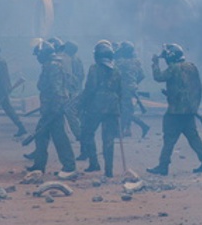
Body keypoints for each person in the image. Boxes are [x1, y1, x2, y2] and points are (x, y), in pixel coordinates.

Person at [147, 44, 202, 176]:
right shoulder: (192, 67)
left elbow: (158, 77)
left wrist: (155, 64)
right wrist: (194, 106)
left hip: (175, 112)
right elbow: (195, 88)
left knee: (169, 138)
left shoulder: (173, 68)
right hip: (189, 111)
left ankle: (163, 166)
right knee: (193, 138)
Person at [28, 40, 77, 179]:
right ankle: (39, 165)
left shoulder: (53, 66)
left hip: (53, 109)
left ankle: (70, 167)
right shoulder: (49, 65)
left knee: (60, 137)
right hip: (49, 108)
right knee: (41, 136)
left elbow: (57, 90)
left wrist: (56, 109)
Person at [79, 41, 123, 177]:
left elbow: (90, 89)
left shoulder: (94, 68)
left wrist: (82, 103)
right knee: (109, 139)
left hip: (96, 107)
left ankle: (94, 163)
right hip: (113, 107)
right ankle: (108, 170)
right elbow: (120, 91)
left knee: (87, 133)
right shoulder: (117, 69)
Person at [115, 41, 150, 139]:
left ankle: (121, 131)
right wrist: (133, 83)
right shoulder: (136, 62)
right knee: (127, 110)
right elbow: (142, 75)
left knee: (124, 111)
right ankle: (142, 126)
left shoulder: (121, 62)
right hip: (131, 88)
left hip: (123, 88)